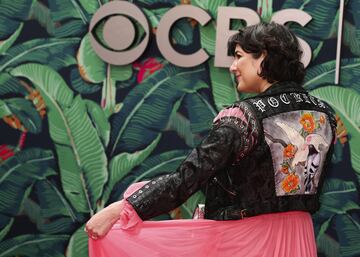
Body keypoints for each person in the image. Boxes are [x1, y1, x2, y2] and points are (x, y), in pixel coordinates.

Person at [85, 22, 337, 257]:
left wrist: (120, 209)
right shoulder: (324, 114)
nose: (232, 66)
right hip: (301, 239)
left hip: (248, 242)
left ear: (264, 56)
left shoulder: (243, 117)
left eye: (239, 56)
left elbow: (187, 178)